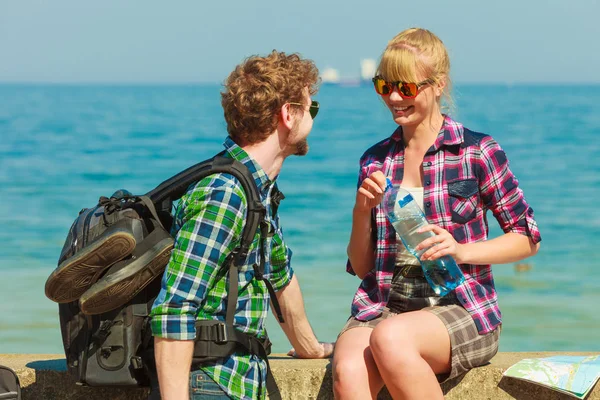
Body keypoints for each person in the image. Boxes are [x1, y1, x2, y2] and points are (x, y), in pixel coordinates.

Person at [333, 28, 542, 400]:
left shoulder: (476, 151)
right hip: (385, 303)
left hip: (462, 306)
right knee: (347, 368)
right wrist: (361, 211)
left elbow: (527, 239)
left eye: (406, 88)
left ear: (438, 85)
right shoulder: (375, 159)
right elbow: (364, 269)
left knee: (390, 339)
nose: (394, 97)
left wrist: (461, 250)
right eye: (383, 85)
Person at [149, 50, 333, 400]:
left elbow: (280, 275)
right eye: (312, 108)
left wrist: (310, 347)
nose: (313, 118)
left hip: (237, 382)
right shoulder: (226, 194)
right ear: (288, 114)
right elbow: (175, 308)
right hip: (209, 383)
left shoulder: (256, 190)